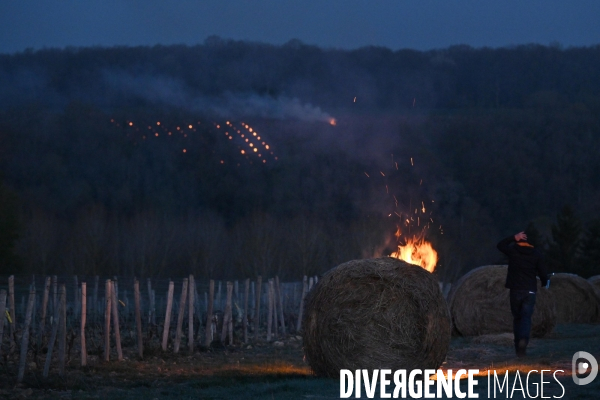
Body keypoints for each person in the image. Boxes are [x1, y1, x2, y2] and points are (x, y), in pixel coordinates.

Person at [497, 231, 549, 357]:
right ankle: (523, 341)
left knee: (517, 318)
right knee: (526, 318)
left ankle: (518, 349)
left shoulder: (513, 251)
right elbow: (543, 272)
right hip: (530, 290)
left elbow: (500, 245)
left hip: (515, 290)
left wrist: (513, 237)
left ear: (518, 241)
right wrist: (544, 282)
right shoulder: (536, 254)